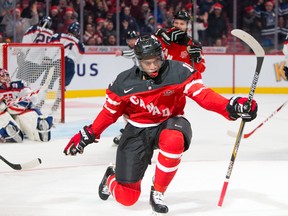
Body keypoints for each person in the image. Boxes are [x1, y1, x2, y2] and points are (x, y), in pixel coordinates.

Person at [63, 35, 258, 215]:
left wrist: (231, 106)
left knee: (174, 140)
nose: (153, 66)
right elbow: (109, 113)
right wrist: (88, 134)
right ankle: (110, 177)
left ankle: (157, 191)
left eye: (157, 60)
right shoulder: (123, 83)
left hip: (169, 123)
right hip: (136, 129)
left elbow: (202, 94)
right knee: (127, 198)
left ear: (162, 55)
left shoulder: (179, 72)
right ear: (139, 62)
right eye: (147, 63)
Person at [39, 21, 85, 111]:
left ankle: (40, 101)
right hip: (70, 65)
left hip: (57, 61)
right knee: (62, 86)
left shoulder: (58, 36)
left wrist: (48, 58)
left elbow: (50, 47)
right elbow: (78, 59)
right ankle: (56, 104)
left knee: (47, 83)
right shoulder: (80, 44)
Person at [0, 68, 53, 143]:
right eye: (2, 75)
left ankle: (40, 130)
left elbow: (32, 97)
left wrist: (28, 98)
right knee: (2, 115)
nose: (6, 77)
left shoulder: (18, 85)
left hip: (17, 111)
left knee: (29, 112)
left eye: (7, 75)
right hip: (7, 115)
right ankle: (9, 131)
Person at [15, 16, 54, 83]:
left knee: (22, 80)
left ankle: (22, 92)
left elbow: (26, 41)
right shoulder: (51, 34)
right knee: (29, 81)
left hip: (29, 59)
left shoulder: (34, 29)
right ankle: (27, 92)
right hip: (40, 62)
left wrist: (22, 53)